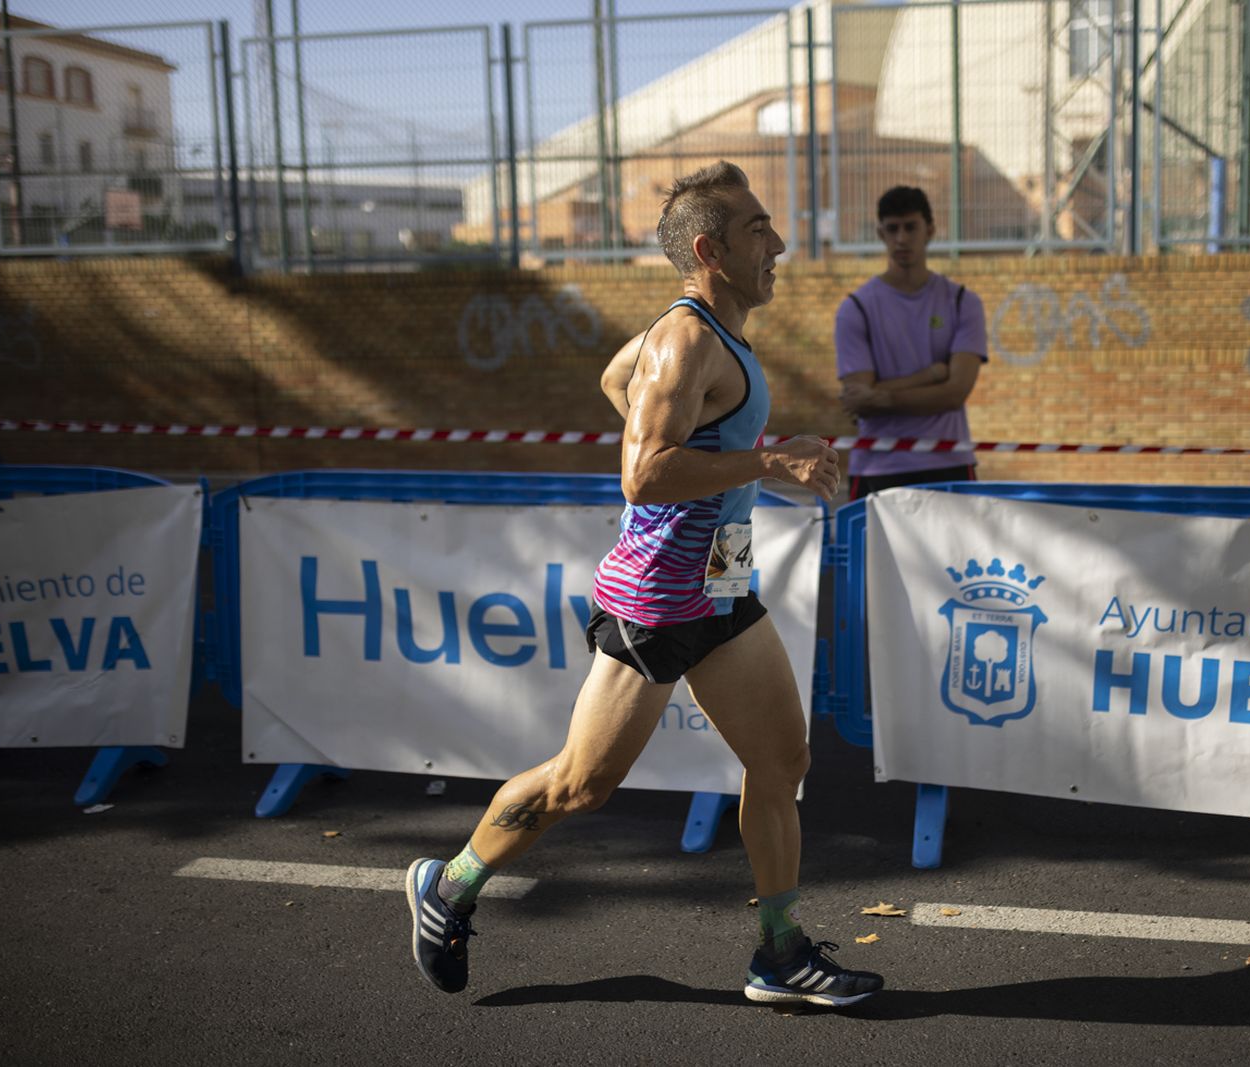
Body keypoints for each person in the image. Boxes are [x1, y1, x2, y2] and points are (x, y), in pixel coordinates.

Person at [406, 161, 884, 1009]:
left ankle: (779, 951)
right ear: (709, 249)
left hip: (723, 586)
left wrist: (737, 461)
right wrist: (773, 458)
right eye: (757, 231)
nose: (778, 244)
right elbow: (645, 472)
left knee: (782, 761)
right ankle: (449, 883)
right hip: (659, 598)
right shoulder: (686, 338)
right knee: (581, 786)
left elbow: (613, 381)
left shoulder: (703, 330)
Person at [835, 186, 988, 499]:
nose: (901, 238)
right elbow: (861, 402)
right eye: (892, 229)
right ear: (880, 233)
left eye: (910, 227)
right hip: (878, 467)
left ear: (930, 230)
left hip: (949, 462)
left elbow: (955, 393)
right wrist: (930, 376)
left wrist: (882, 395)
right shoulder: (856, 308)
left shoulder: (962, 302)